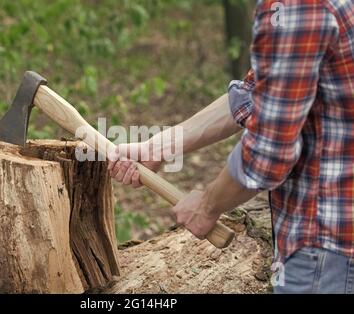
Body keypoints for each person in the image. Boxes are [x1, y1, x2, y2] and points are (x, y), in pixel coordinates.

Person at [107, 0, 354, 294]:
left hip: (327, 249)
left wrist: (207, 206)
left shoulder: (297, 6)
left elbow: (269, 152)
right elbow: (255, 93)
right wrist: (159, 145)